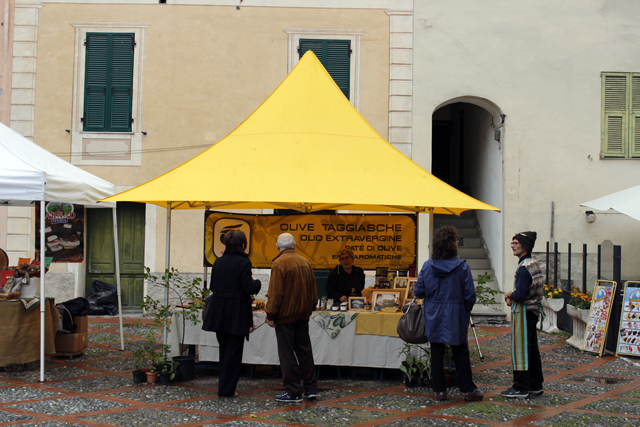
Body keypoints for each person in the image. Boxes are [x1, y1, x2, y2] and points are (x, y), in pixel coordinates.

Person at [414, 226, 483, 402]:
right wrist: (464, 310)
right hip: (456, 313)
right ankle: (467, 390)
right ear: (453, 245)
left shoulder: (428, 266)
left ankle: (440, 391)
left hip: (433, 313)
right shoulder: (462, 267)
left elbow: (419, 291)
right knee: (460, 351)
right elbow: (470, 295)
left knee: (436, 352)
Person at [201, 230, 261, 397]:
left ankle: (224, 387)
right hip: (236, 313)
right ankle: (227, 390)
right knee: (233, 354)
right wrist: (258, 283)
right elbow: (248, 287)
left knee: (225, 350)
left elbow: (213, 287)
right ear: (242, 245)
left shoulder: (218, 262)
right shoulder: (244, 262)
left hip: (219, 311)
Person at [265, 233, 319, 403]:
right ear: (295, 245)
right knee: (305, 351)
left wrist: (270, 314)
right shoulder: (305, 262)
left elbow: (275, 294)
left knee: (287, 354)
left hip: (285, 317)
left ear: (277, 246)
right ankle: (310, 389)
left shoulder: (279, 263)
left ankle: (293, 391)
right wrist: (309, 309)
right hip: (303, 315)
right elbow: (314, 293)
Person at [502, 231, 545, 398]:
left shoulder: (523, 269)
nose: (512, 245)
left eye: (516, 242)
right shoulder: (534, 264)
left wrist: (510, 294)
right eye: (512, 242)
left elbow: (520, 295)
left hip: (524, 313)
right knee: (532, 349)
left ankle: (521, 386)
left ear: (525, 246)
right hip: (533, 312)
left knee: (520, 350)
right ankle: (536, 384)